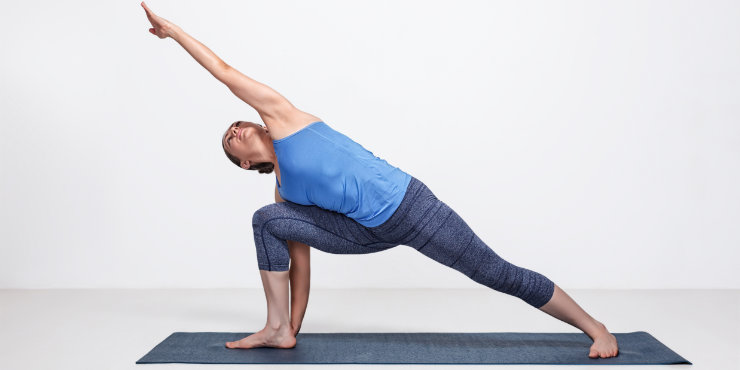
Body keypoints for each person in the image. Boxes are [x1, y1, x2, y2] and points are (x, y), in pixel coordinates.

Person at [141, 2, 619, 358]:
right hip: (363, 233)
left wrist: (175, 32)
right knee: (267, 220)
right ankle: (276, 326)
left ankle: (595, 327)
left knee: (497, 273)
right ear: (245, 162)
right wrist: (295, 330)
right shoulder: (282, 194)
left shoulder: (282, 116)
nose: (237, 129)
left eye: (237, 124)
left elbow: (223, 72)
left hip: (410, 207)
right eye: (230, 139)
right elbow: (300, 266)